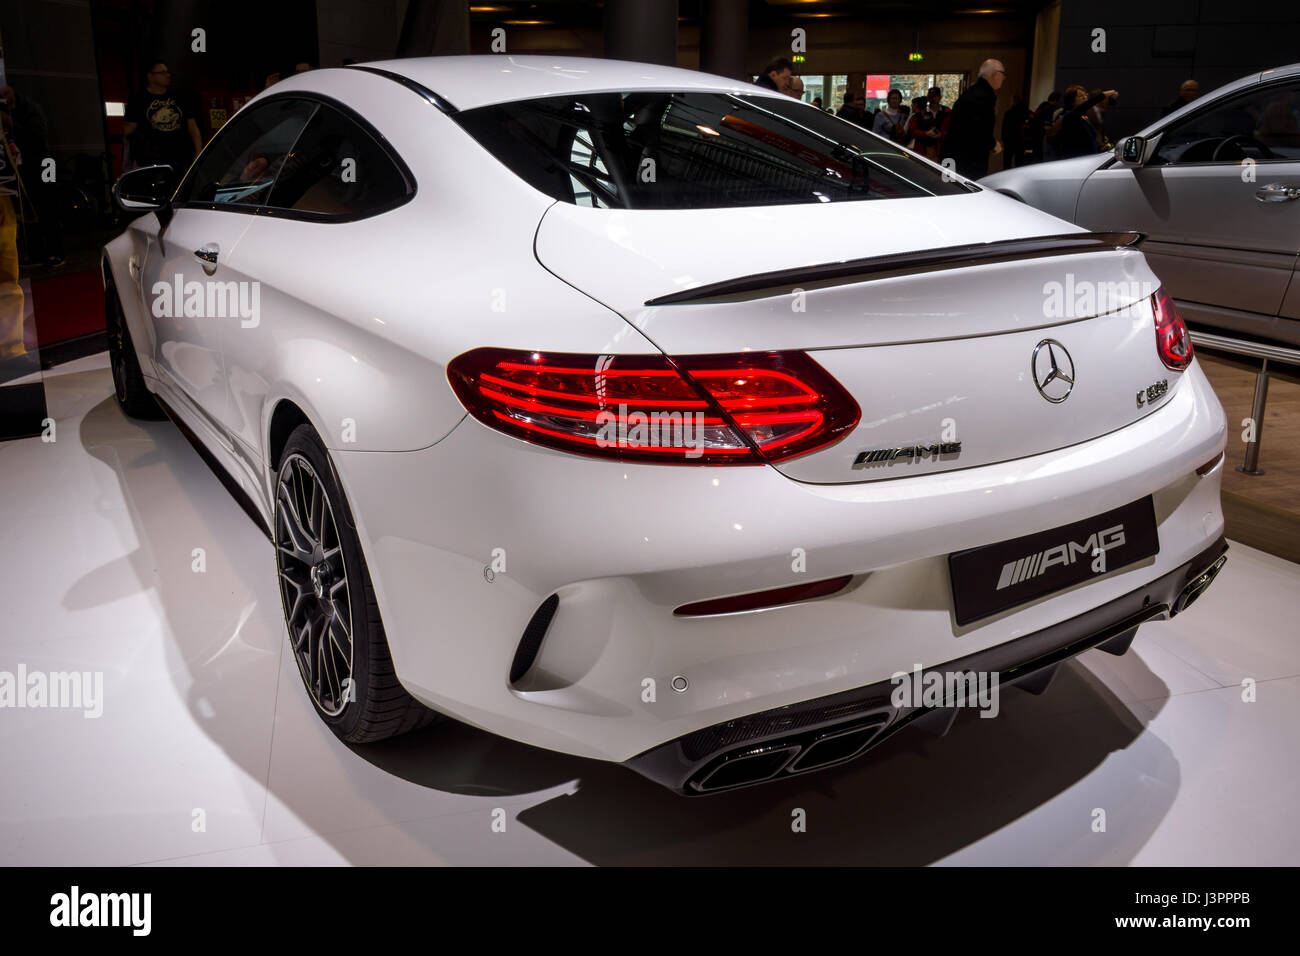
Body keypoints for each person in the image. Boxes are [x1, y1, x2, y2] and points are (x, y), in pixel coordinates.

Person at [123, 61, 202, 172]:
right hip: (152, 160)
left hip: (181, 158)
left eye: (168, 72)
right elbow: (130, 126)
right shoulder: (138, 99)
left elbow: (193, 127)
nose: (167, 75)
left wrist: (198, 153)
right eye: (162, 72)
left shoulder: (179, 96)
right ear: (150, 76)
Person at [940, 59, 1004, 179]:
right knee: (963, 192)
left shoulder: (975, 91)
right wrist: (992, 143)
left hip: (956, 156)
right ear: (995, 74)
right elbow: (977, 128)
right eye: (1002, 73)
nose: (1003, 78)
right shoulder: (982, 95)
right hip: (966, 159)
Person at [1049, 85, 1117, 159]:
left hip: (1088, 158)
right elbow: (1086, 105)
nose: (1085, 97)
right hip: (1074, 161)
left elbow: (1088, 140)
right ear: (1071, 101)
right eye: (1081, 96)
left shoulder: (1084, 117)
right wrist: (1104, 95)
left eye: (1085, 95)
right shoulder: (1069, 116)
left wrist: (1102, 148)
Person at [1024, 91, 1060, 163]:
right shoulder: (1049, 109)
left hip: (1035, 136)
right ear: (1056, 100)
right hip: (1041, 137)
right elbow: (1047, 127)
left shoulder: (1042, 106)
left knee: (1036, 158)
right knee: (1042, 159)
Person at [1001, 95, 1029, 168]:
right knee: (1019, 161)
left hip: (1009, 139)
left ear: (1013, 102)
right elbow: (1032, 119)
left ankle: (1006, 175)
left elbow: (1004, 127)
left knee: (1007, 160)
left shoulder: (1009, 113)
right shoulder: (1024, 112)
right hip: (1020, 139)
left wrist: (1003, 138)